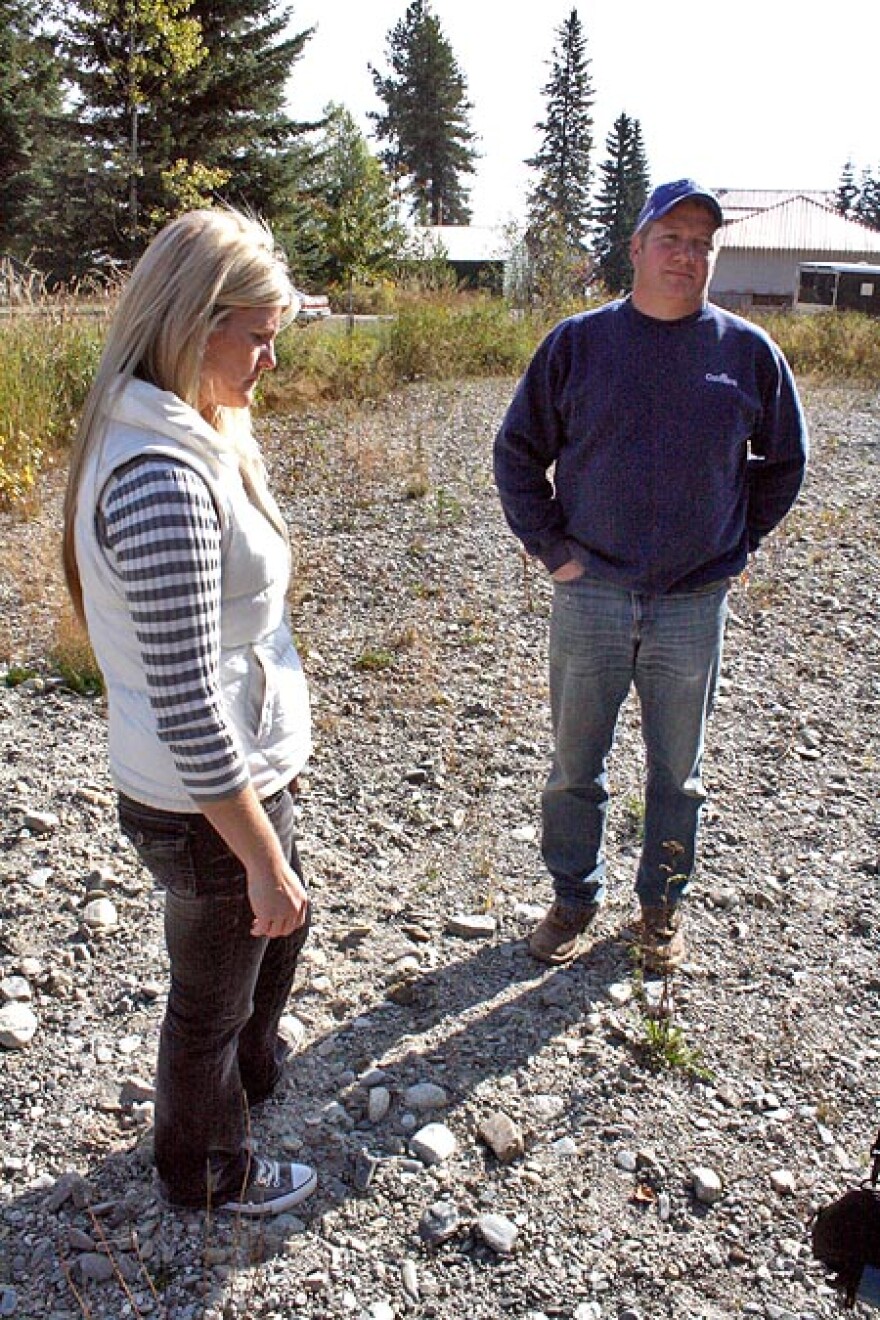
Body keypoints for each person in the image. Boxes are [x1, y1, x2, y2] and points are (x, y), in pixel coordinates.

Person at [62, 208, 318, 1215]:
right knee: (209, 999)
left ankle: (251, 1076)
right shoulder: (161, 477)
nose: (265, 360)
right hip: (212, 799)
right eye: (254, 335)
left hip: (242, 776)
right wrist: (258, 851)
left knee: (268, 944)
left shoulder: (183, 427)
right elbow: (187, 702)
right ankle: (204, 1171)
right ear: (189, 321)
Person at [493, 179, 808, 970]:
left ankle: (661, 905)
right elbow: (517, 453)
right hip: (591, 593)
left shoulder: (747, 353)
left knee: (679, 772)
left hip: (693, 604)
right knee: (575, 766)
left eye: (703, 243)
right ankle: (572, 898)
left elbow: (785, 463)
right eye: (671, 238)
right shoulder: (578, 344)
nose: (687, 255)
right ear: (634, 248)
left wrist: (738, 544)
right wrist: (551, 548)